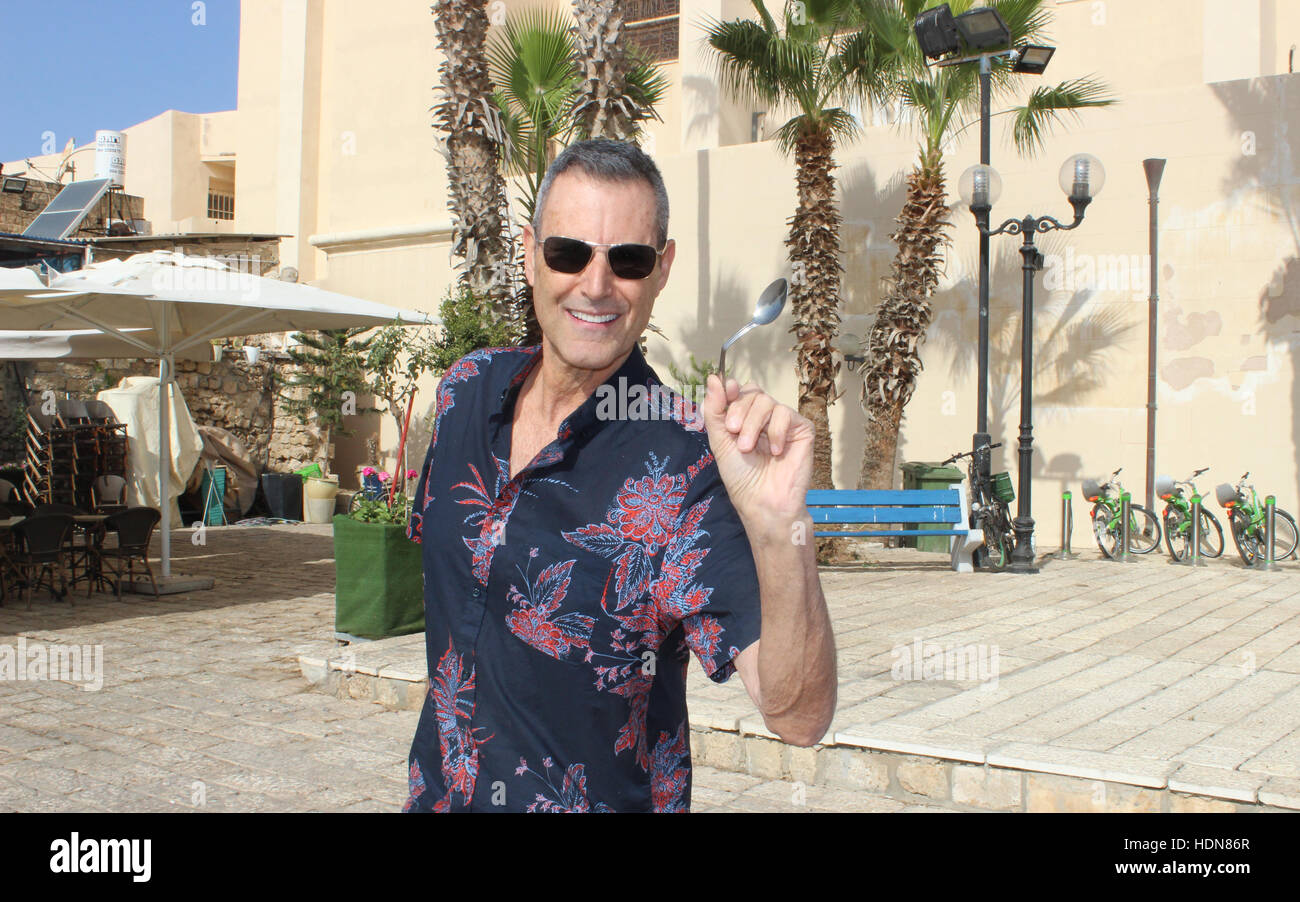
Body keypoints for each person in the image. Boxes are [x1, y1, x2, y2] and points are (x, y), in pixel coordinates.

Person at [403, 138, 835, 812]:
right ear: (529, 252)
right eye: (568, 253)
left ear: (661, 270)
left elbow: (799, 716)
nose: (596, 285)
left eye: (627, 261)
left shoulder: (689, 468)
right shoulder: (465, 394)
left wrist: (781, 530)